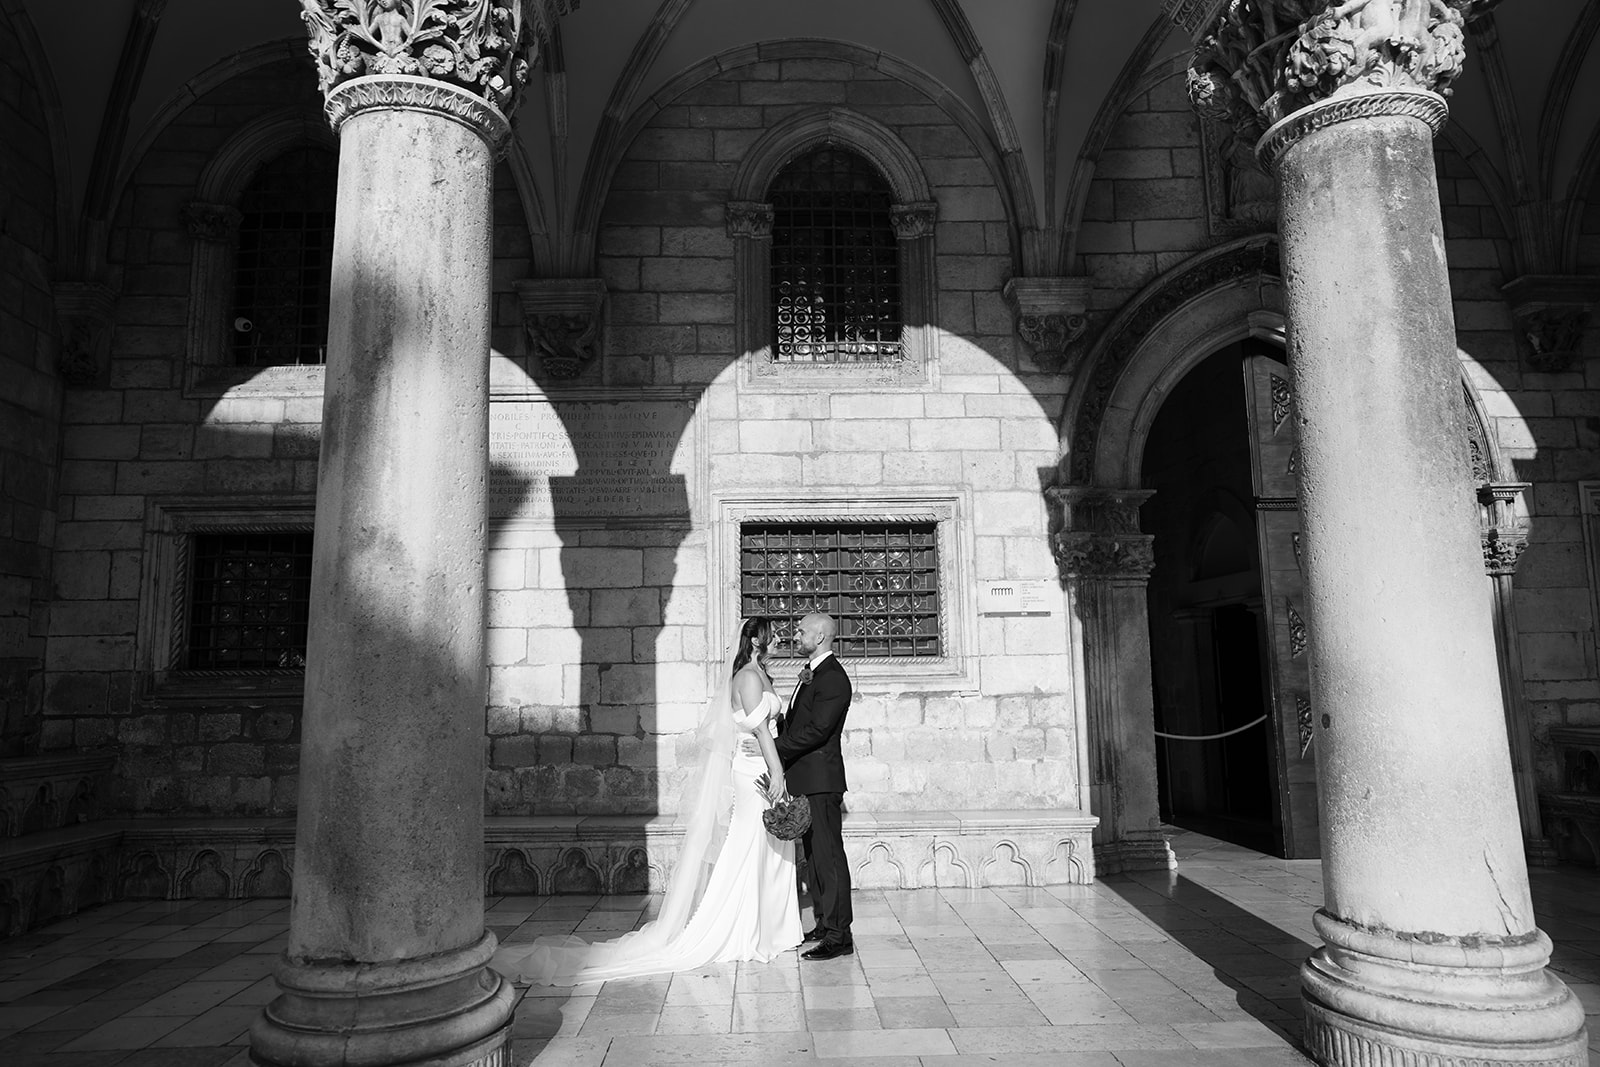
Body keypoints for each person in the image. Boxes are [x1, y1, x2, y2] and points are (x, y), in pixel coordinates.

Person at [490, 617, 801, 985]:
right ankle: (739, 927)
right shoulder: (748, 678)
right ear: (755, 642)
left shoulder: (763, 674)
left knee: (768, 845)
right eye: (773, 634)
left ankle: (772, 927)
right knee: (749, 844)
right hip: (754, 773)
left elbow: (770, 726)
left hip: (762, 763)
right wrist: (778, 773)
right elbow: (762, 730)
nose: (781, 638)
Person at [747, 611, 854, 960]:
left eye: (802, 631)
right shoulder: (813, 674)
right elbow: (797, 723)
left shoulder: (834, 679)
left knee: (828, 857)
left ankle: (840, 935)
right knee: (814, 856)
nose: (796, 635)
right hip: (806, 779)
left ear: (820, 636)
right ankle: (825, 922)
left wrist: (771, 747)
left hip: (822, 781)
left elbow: (817, 731)